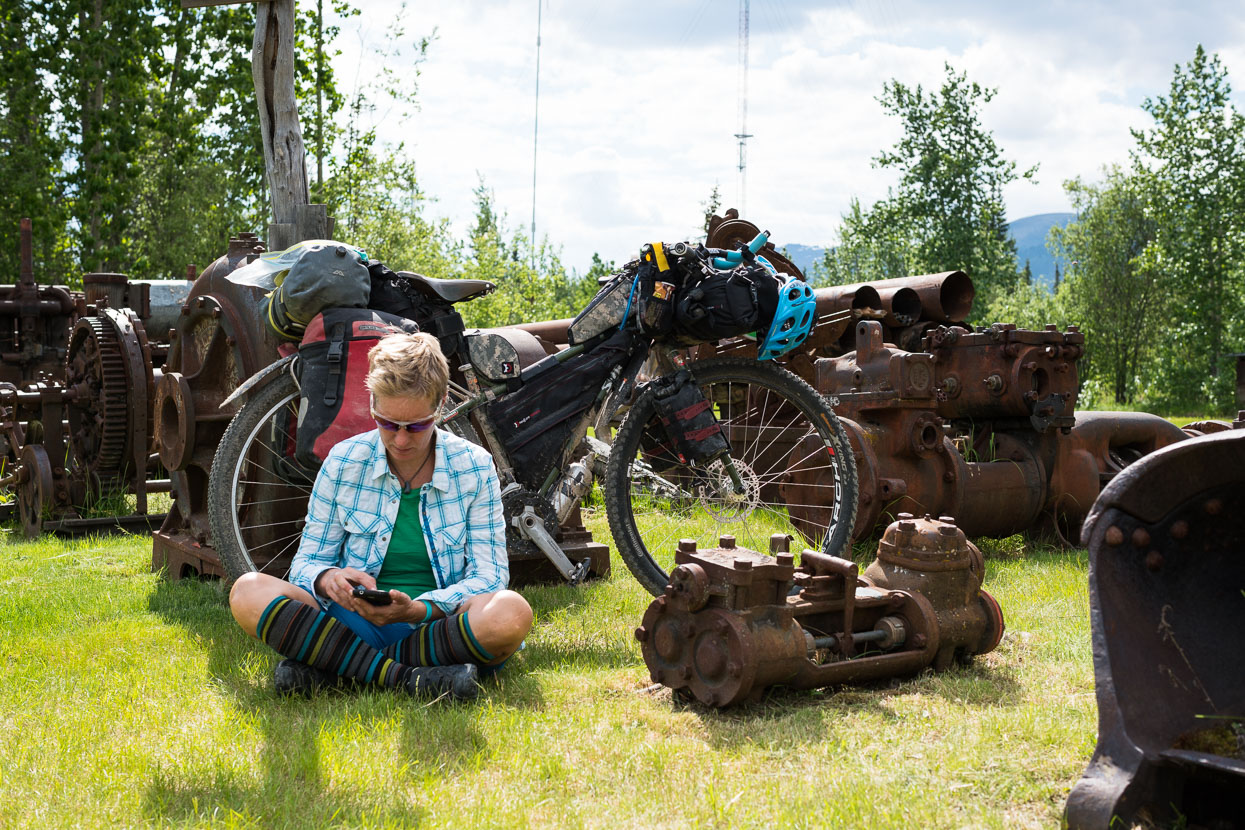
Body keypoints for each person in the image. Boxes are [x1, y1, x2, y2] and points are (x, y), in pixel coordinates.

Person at [229, 332, 533, 700]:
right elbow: (307, 563)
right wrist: (329, 580)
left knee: (511, 614)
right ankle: (411, 679)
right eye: (388, 423)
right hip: (352, 622)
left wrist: (420, 609)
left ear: (439, 406)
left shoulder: (474, 466)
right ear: (372, 403)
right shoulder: (343, 461)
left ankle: (337, 666)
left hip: (437, 626)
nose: (401, 440)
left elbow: (491, 576)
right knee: (247, 591)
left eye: (417, 426)